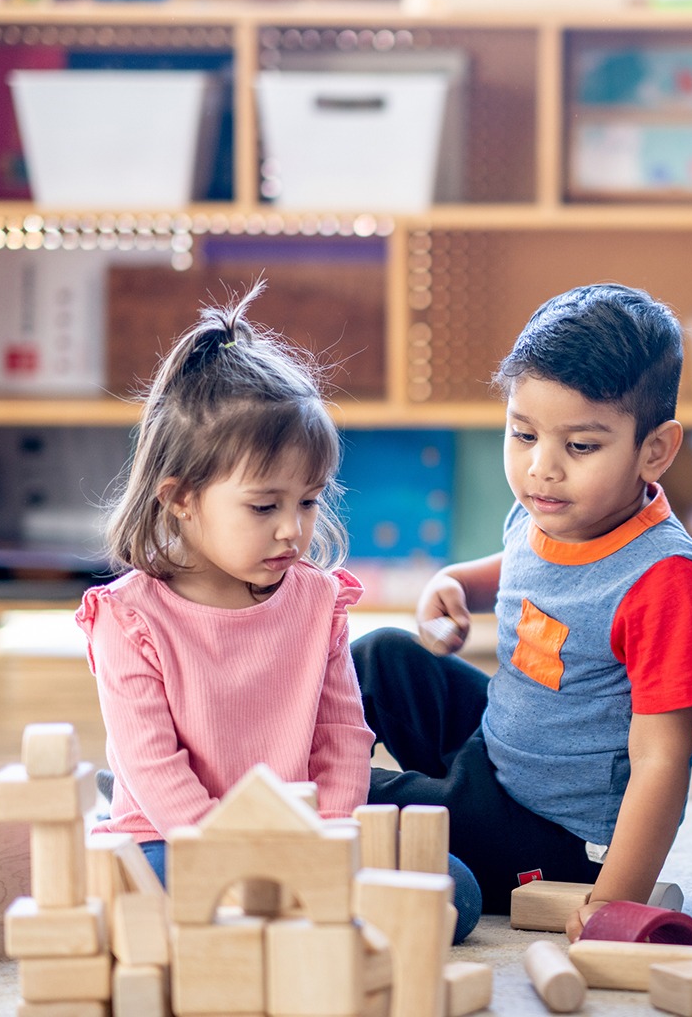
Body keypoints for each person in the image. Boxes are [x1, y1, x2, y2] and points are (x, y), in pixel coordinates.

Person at [76, 286, 480, 940]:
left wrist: (330, 843)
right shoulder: (130, 619)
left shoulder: (317, 601)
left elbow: (343, 738)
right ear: (180, 499)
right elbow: (155, 769)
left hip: (304, 842)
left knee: (455, 893)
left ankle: (288, 909)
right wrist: (241, 859)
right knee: (171, 905)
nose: (293, 531)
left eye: (309, 501)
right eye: (265, 508)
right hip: (180, 843)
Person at [353, 284, 692, 940]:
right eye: (523, 434)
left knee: (364, 799)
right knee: (381, 656)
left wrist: (613, 901)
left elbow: (665, 759)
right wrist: (455, 584)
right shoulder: (548, 508)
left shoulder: (664, 580)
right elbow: (523, 571)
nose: (541, 468)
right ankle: (247, 752)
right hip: (499, 744)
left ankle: (261, 801)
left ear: (655, 451)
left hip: (546, 832)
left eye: (580, 447)